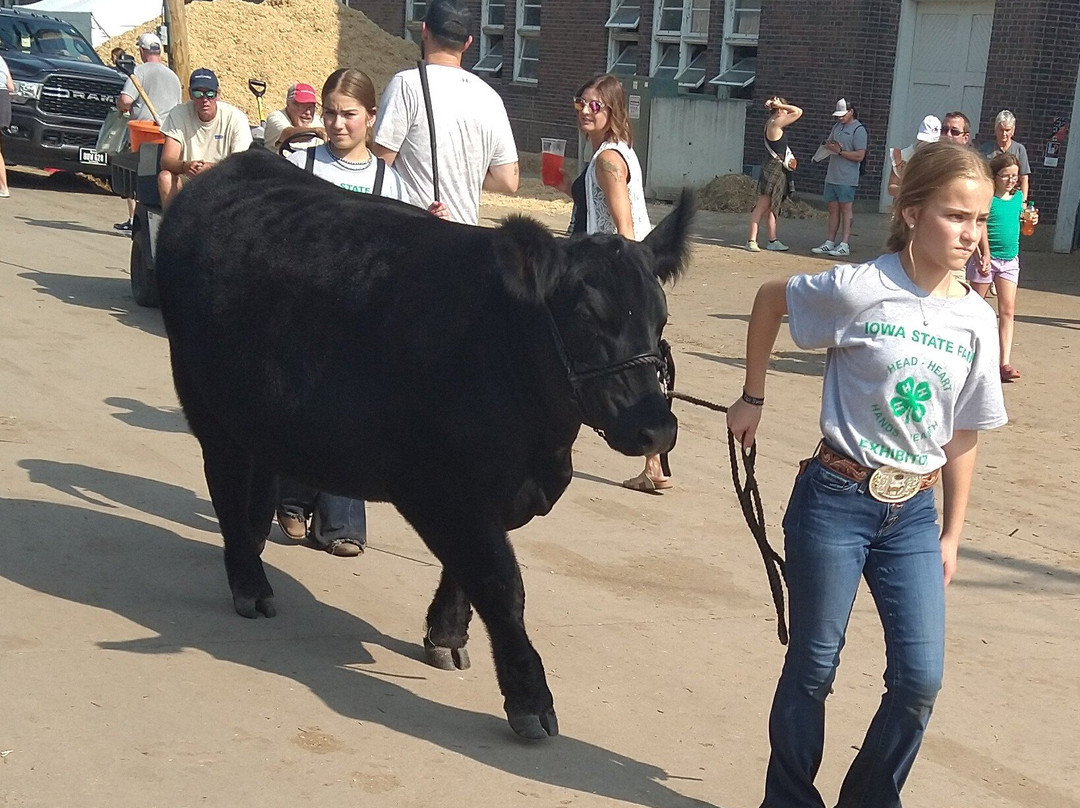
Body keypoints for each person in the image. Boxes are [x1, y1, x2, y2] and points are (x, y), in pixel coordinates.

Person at [727, 141, 1007, 808]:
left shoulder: (976, 318)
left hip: (912, 513)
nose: (969, 234)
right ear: (912, 213)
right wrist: (752, 396)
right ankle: (788, 800)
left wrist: (951, 535)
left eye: (978, 220)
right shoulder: (859, 289)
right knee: (815, 665)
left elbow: (964, 434)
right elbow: (770, 301)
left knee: (919, 679)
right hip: (834, 500)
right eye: (954, 216)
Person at [276, 68, 441, 556]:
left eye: (349, 114)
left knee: (351, 417)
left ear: (371, 117)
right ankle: (291, 500)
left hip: (358, 322)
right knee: (301, 411)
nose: (337, 123)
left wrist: (425, 227)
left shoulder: (387, 182)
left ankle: (342, 521)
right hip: (301, 316)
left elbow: (402, 252)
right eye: (329, 113)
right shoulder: (299, 166)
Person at [553, 74, 666, 493]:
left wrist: (626, 280)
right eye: (580, 102)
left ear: (612, 110)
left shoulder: (607, 160)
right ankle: (654, 462)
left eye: (594, 105)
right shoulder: (615, 153)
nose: (585, 110)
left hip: (607, 272)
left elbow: (623, 225)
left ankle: (651, 459)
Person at [372, 0, 518, 225]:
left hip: (417, 234)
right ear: (468, 43)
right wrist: (463, 172)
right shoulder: (490, 97)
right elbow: (508, 181)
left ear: (424, 31)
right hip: (466, 238)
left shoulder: (407, 84)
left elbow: (380, 166)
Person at [967, 152, 1036, 383]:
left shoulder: (1018, 199)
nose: (1011, 180)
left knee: (1007, 311)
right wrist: (982, 254)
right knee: (976, 309)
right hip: (986, 258)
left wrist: (1031, 220)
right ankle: (971, 357)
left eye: (1015, 176)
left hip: (1010, 260)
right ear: (995, 176)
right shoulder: (987, 198)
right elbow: (981, 226)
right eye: (1006, 175)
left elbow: (1022, 224)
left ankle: (1004, 362)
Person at [113, 32, 182, 232]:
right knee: (160, 173)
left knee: (138, 178)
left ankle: (136, 220)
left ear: (142, 51)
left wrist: (119, 106)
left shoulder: (139, 72)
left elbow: (126, 101)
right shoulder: (173, 75)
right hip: (168, 134)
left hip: (143, 132)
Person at [157, 68, 252, 208]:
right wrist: (186, 166)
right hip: (188, 178)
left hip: (223, 179)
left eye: (210, 93)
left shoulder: (236, 118)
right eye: (198, 93)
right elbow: (166, 160)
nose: (205, 99)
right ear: (190, 94)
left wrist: (210, 169)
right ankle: (173, 226)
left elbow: (240, 164)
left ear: (218, 94)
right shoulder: (178, 114)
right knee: (165, 177)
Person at [811, 98, 867, 258]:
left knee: (846, 209)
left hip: (847, 177)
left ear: (851, 112)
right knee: (833, 209)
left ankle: (844, 243)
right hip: (832, 175)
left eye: (842, 115)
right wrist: (829, 146)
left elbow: (860, 155)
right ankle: (830, 241)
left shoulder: (859, 130)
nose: (840, 118)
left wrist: (840, 151)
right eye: (838, 115)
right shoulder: (837, 126)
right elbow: (831, 144)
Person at [747, 95, 802, 252]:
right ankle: (751, 240)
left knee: (773, 206)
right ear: (780, 111)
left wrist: (776, 105)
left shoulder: (771, 122)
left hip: (777, 168)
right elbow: (798, 112)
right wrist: (782, 106)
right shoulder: (775, 123)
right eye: (784, 110)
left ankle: (772, 239)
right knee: (762, 205)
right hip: (774, 169)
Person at [980, 109, 1031, 200]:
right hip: (990, 195)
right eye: (1001, 130)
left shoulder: (1019, 149)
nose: (1004, 133)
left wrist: (1024, 201)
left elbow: (1024, 177)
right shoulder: (985, 149)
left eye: (1007, 130)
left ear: (1013, 130)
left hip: (1012, 197)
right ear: (996, 129)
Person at [263, 82, 324, 153]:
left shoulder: (319, 122)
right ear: (289, 104)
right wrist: (316, 131)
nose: (308, 112)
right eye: (303, 106)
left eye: (311, 107)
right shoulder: (276, 117)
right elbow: (287, 133)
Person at [886, 114, 939, 197]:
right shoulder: (904, 156)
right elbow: (891, 187)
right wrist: (911, 191)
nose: (925, 146)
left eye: (930, 143)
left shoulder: (942, 159)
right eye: (923, 142)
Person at [0, 53, 12, 198]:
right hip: (4, 101)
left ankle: (4, 187)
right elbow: (11, 86)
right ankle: (3, 187)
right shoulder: (2, 60)